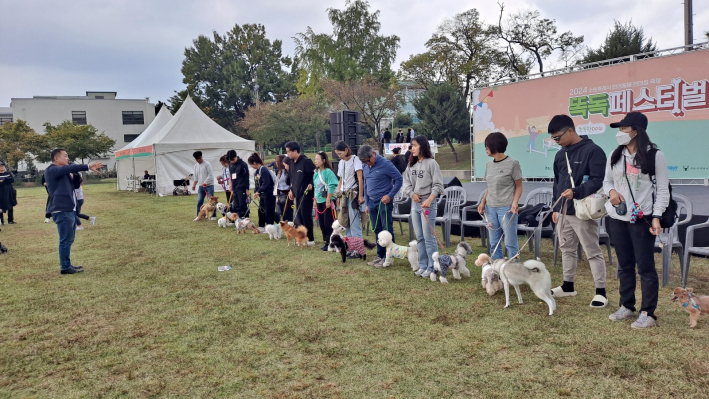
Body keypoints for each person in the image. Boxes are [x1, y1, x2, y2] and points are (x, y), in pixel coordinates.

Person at [604, 112, 668, 329]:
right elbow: (607, 181)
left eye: (624, 128)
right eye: (619, 129)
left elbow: (662, 189)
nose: (620, 133)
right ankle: (627, 306)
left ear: (636, 131)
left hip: (642, 218)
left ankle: (648, 312)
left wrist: (657, 216)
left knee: (646, 267)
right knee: (624, 264)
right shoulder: (614, 154)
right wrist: (612, 192)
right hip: (616, 217)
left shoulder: (654, 155)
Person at [549, 114, 608, 308]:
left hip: (584, 210)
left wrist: (576, 192)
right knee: (567, 249)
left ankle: (601, 292)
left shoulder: (593, 151)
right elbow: (557, 184)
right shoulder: (560, 154)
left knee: (592, 250)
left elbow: (598, 180)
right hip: (564, 211)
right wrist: (555, 208)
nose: (556, 142)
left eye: (558, 137)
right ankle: (568, 285)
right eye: (553, 139)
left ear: (570, 130)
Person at [44, 149, 103, 274]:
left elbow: (75, 186)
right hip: (61, 210)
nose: (68, 158)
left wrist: (76, 173)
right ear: (56, 158)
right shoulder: (52, 170)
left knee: (69, 239)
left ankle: (68, 264)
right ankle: (65, 267)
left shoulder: (64, 172)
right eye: (65, 156)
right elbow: (67, 169)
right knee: (65, 240)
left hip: (69, 209)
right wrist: (87, 166)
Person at [401, 136, 444, 277]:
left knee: (428, 236)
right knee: (419, 236)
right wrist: (412, 194)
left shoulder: (432, 163)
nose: (412, 148)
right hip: (415, 202)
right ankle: (423, 265)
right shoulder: (410, 164)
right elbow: (405, 182)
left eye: (414, 145)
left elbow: (438, 185)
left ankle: (433, 267)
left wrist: (430, 200)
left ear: (422, 146)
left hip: (427, 203)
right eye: (411, 146)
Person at [477, 132, 523, 260]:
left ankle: (515, 270)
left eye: (487, 146)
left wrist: (515, 203)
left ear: (494, 146)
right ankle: (497, 269)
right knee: (494, 242)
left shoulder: (513, 163)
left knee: (510, 242)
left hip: (506, 208)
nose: (485, 149)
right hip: (491, 208)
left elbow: (519, 186)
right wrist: (482, 202)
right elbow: (489, 187)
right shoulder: (488, 165)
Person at [358, 145, 403, 268]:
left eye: (368, 160)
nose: (367, 164)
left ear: (373, 154)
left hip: (384, 202)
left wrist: (390, 195)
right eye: (364, 162)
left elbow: (399, 179)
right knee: (377, 230)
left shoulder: (386, 164)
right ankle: (380, 255)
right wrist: (367, 203)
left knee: (386, 229)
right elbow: (366, 185)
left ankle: (389, 257)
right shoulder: (365, 166)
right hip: (371, 202)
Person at [334, 141, 365, 257]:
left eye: (340, 153)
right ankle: (350, 248)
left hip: (353, 194)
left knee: (354, 222)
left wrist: (360, 195)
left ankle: (358, 250)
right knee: (345, 222)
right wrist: (338, 194)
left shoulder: (355, 160)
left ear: (347, 150)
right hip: (343, 194)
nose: (339, 155)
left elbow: (360, 178)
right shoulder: (341, 162)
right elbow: (341, 180)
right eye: (337, 153)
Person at [286, 141, 316, 246]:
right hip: (296, 194)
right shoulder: (291, 163)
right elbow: (291, 179)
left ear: (295, 151)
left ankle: (310, 238)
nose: (288, 154)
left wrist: (311, 184)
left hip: (306, 194)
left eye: (289, 152)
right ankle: (302, 238)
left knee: (306, 216)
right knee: (300, 216)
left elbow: (315, 174)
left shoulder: (306, 161)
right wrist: (291, 190)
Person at [312, 152, 339, 251]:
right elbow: (315, 187)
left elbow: (332, 185)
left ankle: (332, 241)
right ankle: (326, 241)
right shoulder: (316, 173)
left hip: (327, 200)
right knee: (322, 223)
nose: (315, 161)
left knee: (328, 222)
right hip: (319, 200)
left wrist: (328, 200)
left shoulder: (328, 172)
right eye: (315, 159)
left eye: (317, 159)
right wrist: (315, 199)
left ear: (323, 161)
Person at [249, 152, 276, 228]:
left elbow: (266, 183)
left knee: (269, 211)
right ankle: (261, 225)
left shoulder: (264, 170)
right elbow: (257, 183)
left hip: (269, 193)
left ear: (254, 163)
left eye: (251, 164)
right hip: (263, 194)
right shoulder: (257, 171)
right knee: (261, 210)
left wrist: (259, 191)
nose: (251, 166)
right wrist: (256, 192)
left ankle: (270, 226)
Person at [191, 151, 216, 221]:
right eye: (196, 159)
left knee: (212, 202)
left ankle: (213, 216)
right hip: (201, 186)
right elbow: (196, 176)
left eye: (199, 159)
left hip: (209, 185)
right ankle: (199, 215)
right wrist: (194, 185)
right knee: (199, 201)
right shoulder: (196, 165)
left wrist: (205, 182)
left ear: (201, 157)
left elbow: (210, 175)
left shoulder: (207, 164)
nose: (198, 160)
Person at [227, 150, 250, 218]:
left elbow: (246, 177)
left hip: (242, 187)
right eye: (230, 160)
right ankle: (238, 219)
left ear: (236, 156)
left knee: (242, 204)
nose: (232, 161)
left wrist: (247, 189)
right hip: (235, 188)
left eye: (233, 159)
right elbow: (231, 176)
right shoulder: (230, 165)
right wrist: (231, 186)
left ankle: (245, 219)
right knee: (236, 205)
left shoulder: (243, 164)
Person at [276, 155, 294, 222]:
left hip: (286, 193)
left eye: (277, 162)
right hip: (280, 194)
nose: (276, 163)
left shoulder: (287, 172)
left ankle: (289, 226)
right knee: (282, 213)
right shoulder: (280, 172)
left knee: (287, 212)